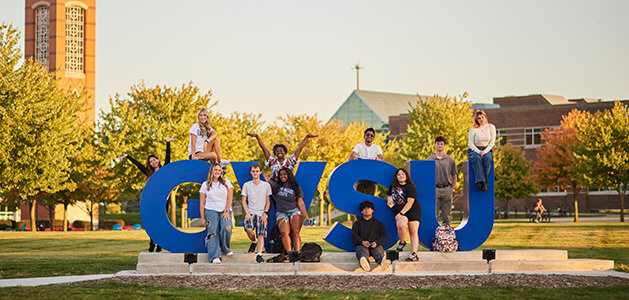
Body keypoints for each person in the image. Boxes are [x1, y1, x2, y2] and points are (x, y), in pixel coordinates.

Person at [122, 138, 175, 252]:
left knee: (162, 223)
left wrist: (168, 143)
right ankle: (152, 244)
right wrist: (128, 157)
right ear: (150, 164)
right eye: (151, 162)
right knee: (153, 223)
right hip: (153, 201)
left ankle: (159, 246)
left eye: (154, 160)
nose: (153, 162)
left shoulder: (164, 169)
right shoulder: (149, 173)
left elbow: (168, 157)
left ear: (158, 159)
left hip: (164, 201)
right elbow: (138, 165)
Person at [246, 132, 317, 185]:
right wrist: (257, 137)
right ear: (275, 153)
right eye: (277, 151)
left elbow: (300, 148)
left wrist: (307, 137)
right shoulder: (272, 161)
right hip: (275, 187)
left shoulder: (290, 160)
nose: (279, 152)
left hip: (288, 186)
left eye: (281, 151)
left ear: (285, 152)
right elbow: (264, 148)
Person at [200, 163, 234, 264]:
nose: (218, 172)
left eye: (219, 170)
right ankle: (215, 256)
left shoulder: (226, 182)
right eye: (215, 170)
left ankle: (224, 248)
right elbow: (202, 203)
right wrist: (203, 218)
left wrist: (227, 211)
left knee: (227, 228)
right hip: (210, 210)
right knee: (212, 232)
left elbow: (230, 198)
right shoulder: (205, 185)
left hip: (225, 210)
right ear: (211, 171)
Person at [273, 168, 310, 259]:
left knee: (295, 233)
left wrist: (306, 216)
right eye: (281, 175)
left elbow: (300, 202)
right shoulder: (276, 186)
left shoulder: (296, 187)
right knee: (284, 232)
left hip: (294, 211)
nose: (282, 176)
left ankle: (297, 255)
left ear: (289, 175)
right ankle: (289, 255)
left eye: (284, 174)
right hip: (281, 212)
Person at [387, 168, 421, 262]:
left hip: (412, 210)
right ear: (396, 177)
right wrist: (389, 199)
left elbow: (410, 203)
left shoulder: (410, 187)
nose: (401, 176)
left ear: (406, 176)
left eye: (403, 174)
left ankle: (414, 254)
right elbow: (389, 195)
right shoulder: (392, 187)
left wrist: (401, 213)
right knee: (401, 225)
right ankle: (402, 242)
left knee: (413, 231)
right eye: (399, 174)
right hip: (400, 211)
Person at [241, 163, 272, 263]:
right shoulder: (247, 185)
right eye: (253, 171)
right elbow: (243, 201)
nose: (255, 173)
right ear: (251, 172)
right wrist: (247, 213)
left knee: (261, 235)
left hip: (261, 213)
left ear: (260, 172)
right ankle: (253, 242)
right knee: (249, 230)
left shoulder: (266, 185)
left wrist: (265, 214)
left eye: (257, 171)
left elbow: (268, 201)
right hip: (250, 212)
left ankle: (259, 254)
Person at [426, 136, 457, 226]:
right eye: (438, 144)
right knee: (434, 214)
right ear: (435, 145)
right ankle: (434, 235)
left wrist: (452, 188)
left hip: (447, 188)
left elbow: (454, 175)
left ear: (444, 145)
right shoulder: (429, 159)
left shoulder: (450, 160)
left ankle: (447, 236)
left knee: (446, 215)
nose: (439, 146)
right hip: (434, 189)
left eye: (441, 144)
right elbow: (426, 176)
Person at [351, 201, 389, 272]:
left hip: (375, 245)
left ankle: (383, 263)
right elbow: (354, 237)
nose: (367, 210)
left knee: (378, 251)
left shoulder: (378, 224)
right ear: (361, 211)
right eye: (364, 209)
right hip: (362, 245)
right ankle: (365, 264)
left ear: (372, 210)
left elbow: (383, 237)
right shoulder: (357, 224)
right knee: (362, 252)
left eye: (369, 208)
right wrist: (362, 242)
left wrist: (376, 243)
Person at [349, 127, 384, 195]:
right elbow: (351, 157)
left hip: (371, 175)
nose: (369, 136)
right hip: (360, 175)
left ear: (373, 137)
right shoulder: (358, 146)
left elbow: (382, 159)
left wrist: (378, 160)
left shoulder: (377, 147)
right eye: (367, 135)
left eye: (371, 135)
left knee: (370, 195)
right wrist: (356, 158)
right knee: (359, 195)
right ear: (364, 136)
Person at [467, 110, 496, 192]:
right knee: (477, 158)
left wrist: (484, 151)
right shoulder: (474, 129)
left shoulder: (491, 127)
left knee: (487, 159)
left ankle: (484, 181)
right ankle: (480, 181)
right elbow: (470, 143)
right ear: (477, 120)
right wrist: (478, 151)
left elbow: (492, 142)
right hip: (475, 150)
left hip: (487, 149)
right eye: (479, 118)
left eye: (482, 117)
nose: (481, 119)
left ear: (485, 117)